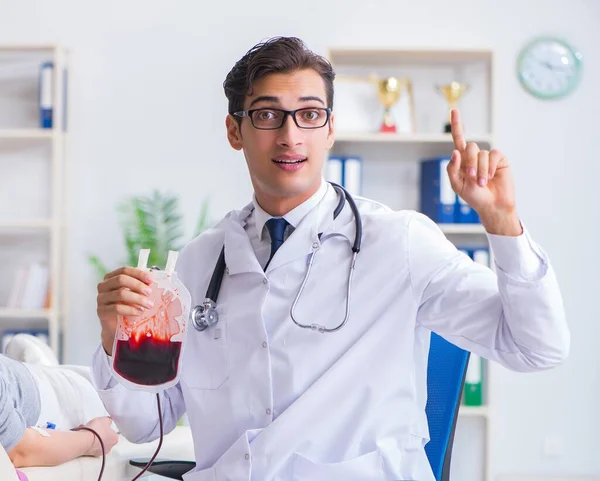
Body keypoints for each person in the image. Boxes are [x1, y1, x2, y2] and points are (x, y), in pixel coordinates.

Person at [91, 36, 569, 481]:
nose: (290, 136)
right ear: (234, 131)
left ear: (331, 129)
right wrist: (115, 338)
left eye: (310, 115)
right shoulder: (199, 264)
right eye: (266, 115)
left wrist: (502, 222)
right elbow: (143, 424)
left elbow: (536, 347)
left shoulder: (399, 242)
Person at [0, 334, 118, 469]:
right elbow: (19, 451)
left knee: (20, 344)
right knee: (117, 396)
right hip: (44, 397)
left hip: (20, 377)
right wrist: (92, 440)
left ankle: (46, 366)